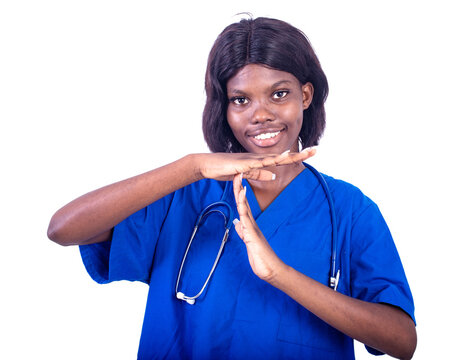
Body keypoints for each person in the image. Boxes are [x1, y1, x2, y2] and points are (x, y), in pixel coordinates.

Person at [48, 17, 416, 360]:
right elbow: (63, 229)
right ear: (223, 108)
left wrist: (279, 274)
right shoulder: (185, 195)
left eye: (279, 94)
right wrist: (191, 167)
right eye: (241, 100)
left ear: (305, 96)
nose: (260, 114)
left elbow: (401, 340)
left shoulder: (349, 209)